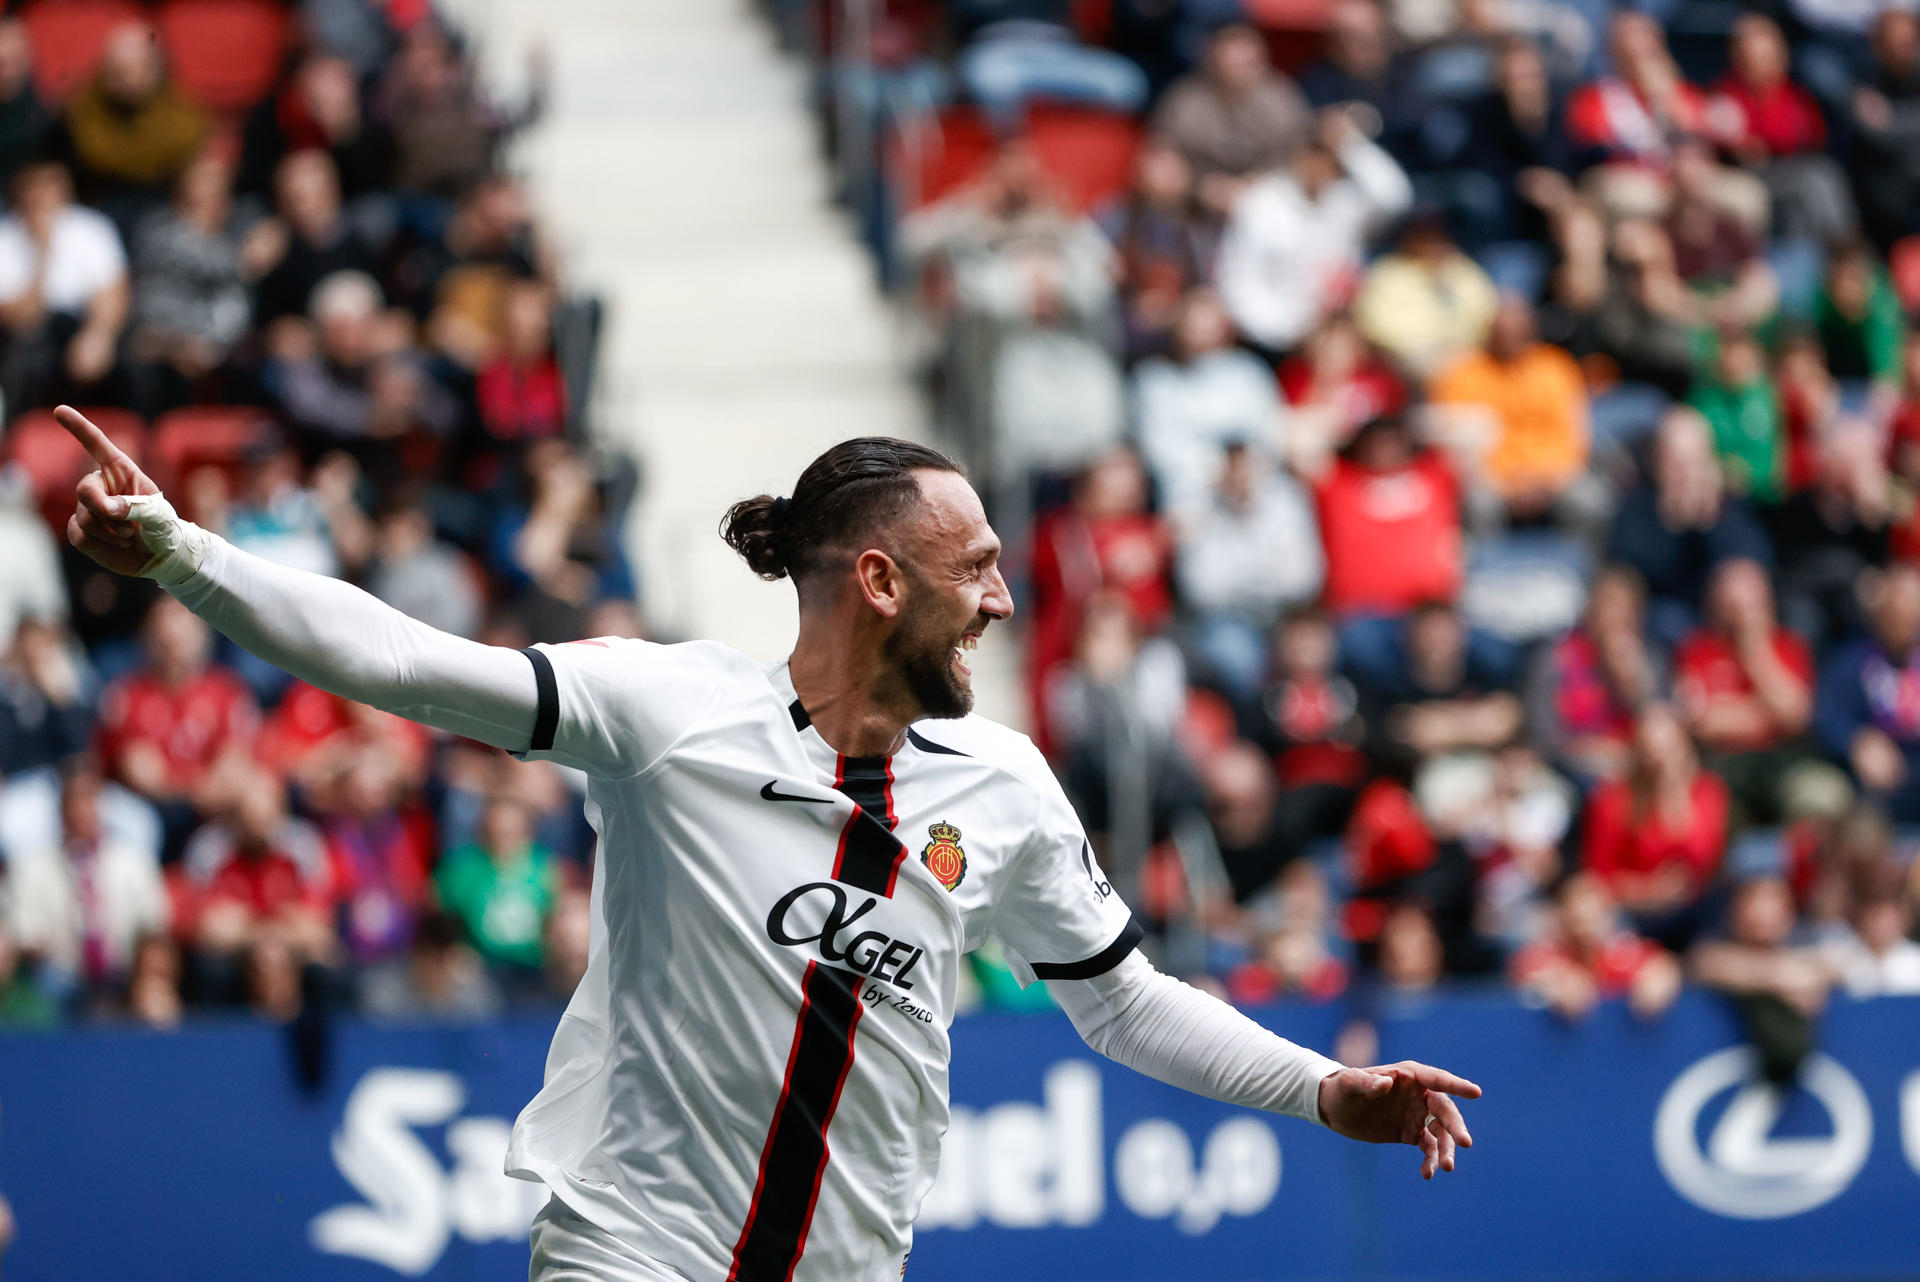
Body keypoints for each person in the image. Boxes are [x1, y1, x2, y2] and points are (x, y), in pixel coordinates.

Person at [54, 408, 1481, 1281]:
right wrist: (184, 554)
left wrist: (1324, 1087)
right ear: (880, 576)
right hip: (636, 1249)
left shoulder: (1004, 785)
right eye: (976, 566)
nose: (997, 600)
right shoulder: (670, 713)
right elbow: (408, 660)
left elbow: (1118, 998)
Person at [1214, 108, 1413, 357]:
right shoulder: (1261, 203)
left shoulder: (1345, 202)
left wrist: (1351, 142)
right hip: (1277, 343)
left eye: (1328, 158)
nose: (1319, 166)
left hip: (1339, 336)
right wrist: (1292, 331)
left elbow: (1396, 197)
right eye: (1312, 154)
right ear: (1297, 156)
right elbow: (1238, 282)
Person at [1151, 22, 1313, 220]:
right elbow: (1164, 155)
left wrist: (1253, 187)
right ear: (1211, 61)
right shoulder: (1184, 99)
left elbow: (1300, 158)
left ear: (1261, 63)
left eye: (1244, 65)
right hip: (1197, 195)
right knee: (1158, 177)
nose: (1235, 73)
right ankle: (1163, 247)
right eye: (1227, 64)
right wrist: (1203, 188)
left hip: (1265, 195)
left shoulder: (1282, 100)